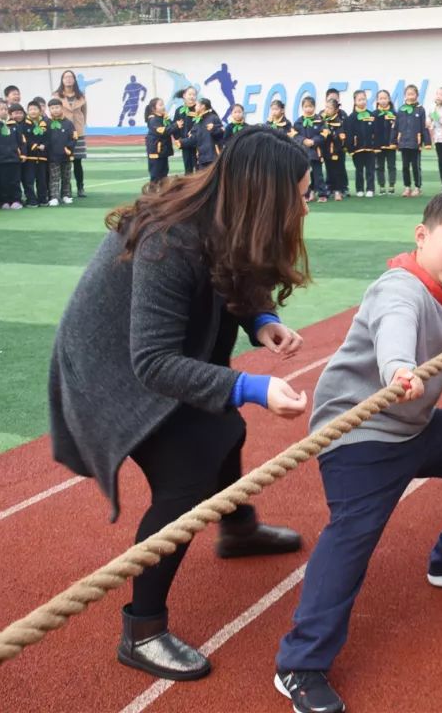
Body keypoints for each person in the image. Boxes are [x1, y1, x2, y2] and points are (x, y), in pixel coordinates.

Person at [49, 127, 310, 683]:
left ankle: (238, 529)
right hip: (112, 369)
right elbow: (152, 363)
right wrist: (255, 389)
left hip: (149, 354)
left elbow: (234, 267)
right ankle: (142, 630)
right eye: (301, 194)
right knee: (187, 475)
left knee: (223, 431)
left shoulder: (224, 212)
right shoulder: (171, 240)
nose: (306, 204)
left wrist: (261, 320)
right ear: (265, 196)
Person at [275, 193, 442, 713]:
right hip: (359, 436)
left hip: (412, 427)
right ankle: (300, 663)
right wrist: (399, 369)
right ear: (422, 236)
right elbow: (395, 329)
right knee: (352, 539)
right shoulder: (400, 287)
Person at [56, 70, 89, 197]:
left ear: (74, 80)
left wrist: (80, 126)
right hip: (62, 132)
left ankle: (80, 187)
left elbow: (84, 113)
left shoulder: (81, 96)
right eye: (66, 77)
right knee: (64, 161)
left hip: (78, 132)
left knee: (78, 161)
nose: (68, 79)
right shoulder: (57, 96)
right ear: (62, 80)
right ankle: (65, 189)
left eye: (71, 77)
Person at [293, 96, 329, 203]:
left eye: (310, 106)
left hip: (315, 152)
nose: (308, 109)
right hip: (303, 153)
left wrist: (313, 141)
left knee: (318, 174)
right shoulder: (299, 121)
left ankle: (322, 194)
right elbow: (294, 134)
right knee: (305, 175)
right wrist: (304, 140)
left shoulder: (319, 120)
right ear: (302, 108)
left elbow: (324, 133)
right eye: (306, 106)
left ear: (314, 107)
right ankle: (306, 194)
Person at [396, 85, 429, 197]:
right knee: (405, 166)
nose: (410, 96)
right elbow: (396, 126)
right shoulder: (401, 109)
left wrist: (426, 142)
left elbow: (424, 127)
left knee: (416, 166)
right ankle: (407, 187)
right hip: (404, 142)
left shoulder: (420, 109)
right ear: (405, 95)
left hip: (415, 143)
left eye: (412, 94)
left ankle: (417, 187)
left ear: (417, 95)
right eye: (408, 94)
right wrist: (394, 141)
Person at [345, 89, 377, 197]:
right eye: (359, 99)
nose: (362, 101)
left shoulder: (372, 115)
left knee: (370, 169)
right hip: (357, 149)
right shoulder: (351, 117)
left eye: (364, 99)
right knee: (359, 170)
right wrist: (350, 148)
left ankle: (370, 189)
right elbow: (349, 134)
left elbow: (376, 132)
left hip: (370, 148)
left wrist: (375, 144)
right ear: (355, 101)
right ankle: (359, 189)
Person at [47, 98, 77, 204]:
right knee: (54, 177)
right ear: (49, 110)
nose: (55, 110)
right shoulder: (47, 123)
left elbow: (74, 138)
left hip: (66, 156)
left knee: (66, 177)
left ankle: (66, 195)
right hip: (52, 156)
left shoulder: (68, 123)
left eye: (57, 107)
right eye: (52, 108)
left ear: (62, 108)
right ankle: (54, 197)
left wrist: (68, 149)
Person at [182, 97, 224, 170]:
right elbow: (193, 138)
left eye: (197, 105)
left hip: (213, 157)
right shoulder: (197, 121)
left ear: (203, 106)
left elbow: (221, 134)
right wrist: (181, 142)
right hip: (202, 158)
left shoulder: (213, 118)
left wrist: (214, 129)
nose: (195, 107)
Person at [373, 89, 398, 195]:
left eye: (385, 98)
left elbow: (398, 129)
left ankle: (392, 185)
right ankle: (382, 186)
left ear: (389, 99)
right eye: (381, 98)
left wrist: (396, 142)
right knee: (379, 166)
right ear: (377, 100)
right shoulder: (374, 114)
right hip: (378, 146)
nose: (383, 100)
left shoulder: (394, 113)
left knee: (391, 166)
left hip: (391, 145)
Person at [144, 97, 174, 184]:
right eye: (160, 105)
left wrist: (168, 119)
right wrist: (176, 125)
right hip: (156, 152)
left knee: (164, 174)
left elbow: (171, 127)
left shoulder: (163, 118)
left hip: (163, 152)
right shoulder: (153, 120)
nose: (163, 106)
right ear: (154, 108)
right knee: (156, 175)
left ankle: (162, 194)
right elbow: (162, 131)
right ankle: (151, 195)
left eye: (163, 104)